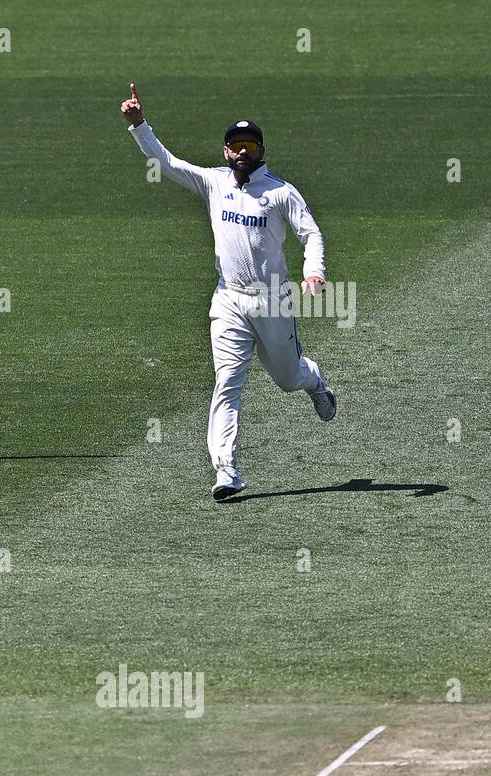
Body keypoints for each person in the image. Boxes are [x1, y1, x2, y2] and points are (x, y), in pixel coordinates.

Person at [120, 84, 337, 500]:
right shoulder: (214, 182)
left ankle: (314, 380)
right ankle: (226, 470)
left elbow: (311, 235)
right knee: (227, 382)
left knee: (288, 379)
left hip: (272, 300)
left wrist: (314, 272)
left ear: (261, 150)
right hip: (228, 299)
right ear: (225, 152)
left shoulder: (280, 191)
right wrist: (139, 125)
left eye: (250, 145)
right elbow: (166, 163)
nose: (242, 151)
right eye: (236, 145)